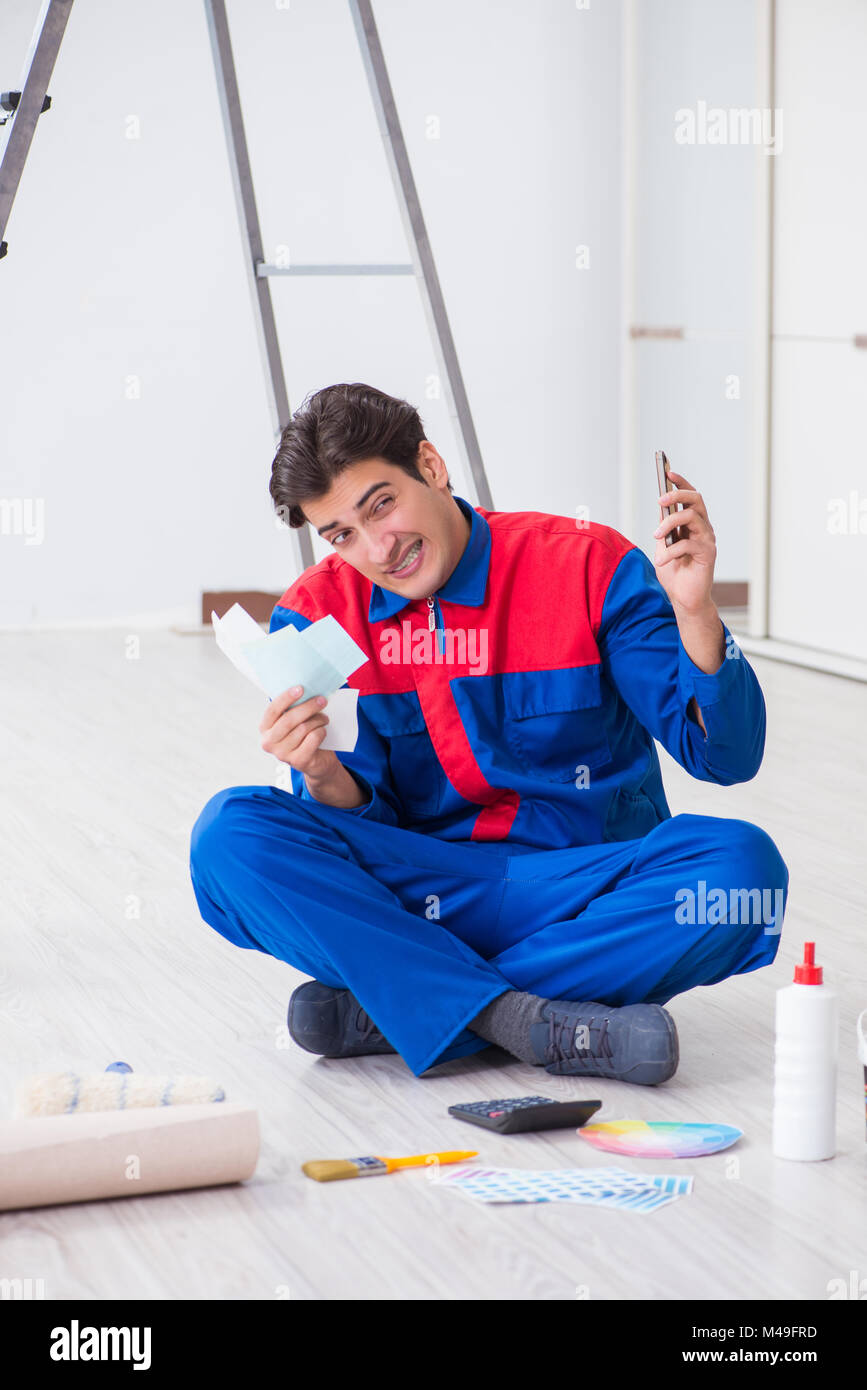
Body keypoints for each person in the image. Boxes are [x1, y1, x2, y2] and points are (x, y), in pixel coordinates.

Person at [189, 382, 788, 1084]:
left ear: (431, 466)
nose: (378, 549)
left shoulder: (585, 566)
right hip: (420, 889)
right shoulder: (317, 617)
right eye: (341, 534)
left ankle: (405, 1001)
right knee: (229, 834)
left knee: (743, 873)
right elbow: (356, 835)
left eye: (381, 503)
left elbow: (725, 757)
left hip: (582, 891)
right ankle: (527, 1020)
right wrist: (322, 776)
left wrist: (695, 614)